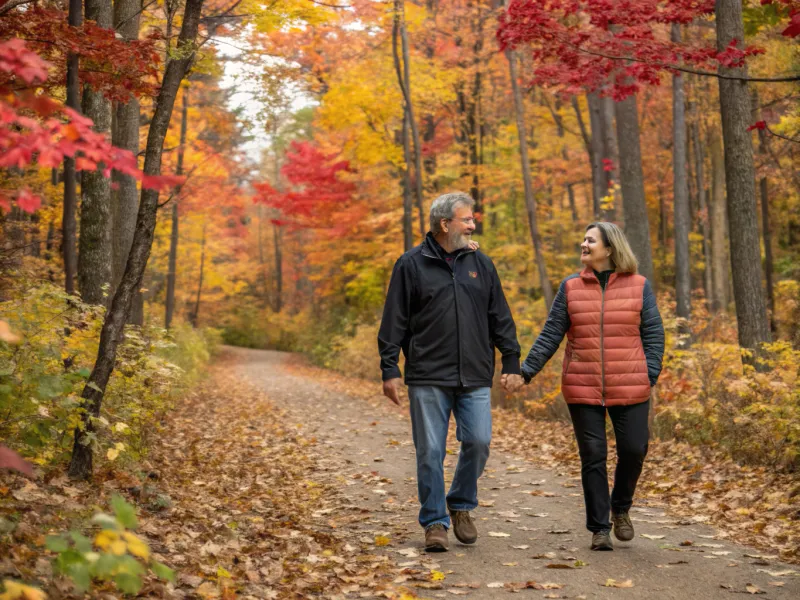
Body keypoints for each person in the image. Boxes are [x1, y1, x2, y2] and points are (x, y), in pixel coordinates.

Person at [378, 192, 524, 552]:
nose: (474, 224)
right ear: (445, 224)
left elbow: (499, 315)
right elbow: (394, 319)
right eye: (467, 219)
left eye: (472, 219)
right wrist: (388, 367)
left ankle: (460, 504)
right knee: (429, 450)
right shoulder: (411, 264)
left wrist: (511, 360)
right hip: (428, 374)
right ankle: (434, 522)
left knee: (478, 441)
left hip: (474, 372)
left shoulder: (480, 263)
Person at [509, 222, 664, 551]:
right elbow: (551, 333)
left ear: (609, 249)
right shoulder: (571, 287)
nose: (583, 244)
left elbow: (653, 334)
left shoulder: (638, 286)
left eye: (590, 240)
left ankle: (620, 508)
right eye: (583, 239)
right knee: (593, 455)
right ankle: (599, 528)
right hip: (582, 385)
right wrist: (526, 371)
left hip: (631, 386)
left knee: (634, 450)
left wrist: (648, 374)